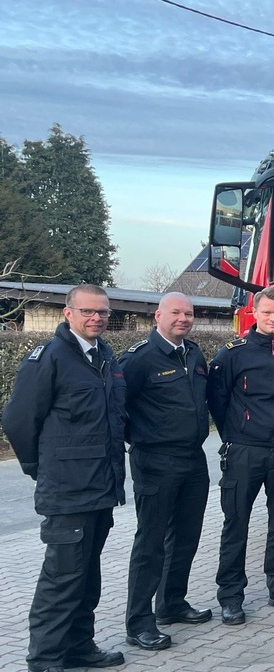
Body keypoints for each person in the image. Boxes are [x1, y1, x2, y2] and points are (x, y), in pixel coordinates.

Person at [3, 284, 127, 672]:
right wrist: (38, 468)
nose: (97, 318)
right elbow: (18, 421)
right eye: (88, 311)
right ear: (68, 313)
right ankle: (45, 660)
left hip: (100, 488)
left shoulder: (104, 356)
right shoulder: (50, 358)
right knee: (60, 580)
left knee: (87, 577)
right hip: (67, 490)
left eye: (103, 312)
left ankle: (78, 647)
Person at [208, 286, 274, 625]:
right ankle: (231, 597)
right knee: (235, 525)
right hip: (244, 450)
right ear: (254, 312)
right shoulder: (232, 354)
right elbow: (217, 400)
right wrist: (238, 433)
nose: (273, 318)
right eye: (267, 312)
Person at [121, 293, 212, 652]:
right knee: (151, 543)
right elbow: (117, 407)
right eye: (175, 312)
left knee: (186, 537)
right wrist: (142, 438)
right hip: (155, 461)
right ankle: (139, 623)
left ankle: (171, 603)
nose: (183, 318)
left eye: (188, 313)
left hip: (193, 459)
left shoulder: (194, 354)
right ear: (158, 316)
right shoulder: (139, 358)